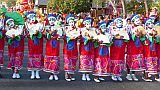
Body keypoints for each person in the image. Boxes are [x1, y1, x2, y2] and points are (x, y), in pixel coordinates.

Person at [126, 14, 146, 81]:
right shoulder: (129, 27)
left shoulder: (142, 27)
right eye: (136, 20)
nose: (138, 21)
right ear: (133, 21)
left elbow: (143, 37)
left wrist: (141, 35)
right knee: (130, 59)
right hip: (131, 45)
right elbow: (127, 36)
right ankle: (128, 74)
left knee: (137, 60)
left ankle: (133, 74)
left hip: (139, 46)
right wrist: (134, 35)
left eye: (139, 20)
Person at [25, 11, 44, 79]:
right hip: (31, 43)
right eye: (30, 17)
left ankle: (37, 72)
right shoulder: (27, 25)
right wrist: (31, 34)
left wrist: (38, 33)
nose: (32, 18)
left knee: (38, 56)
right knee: (32, 56)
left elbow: (42, 34)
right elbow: (26, 34)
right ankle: (32, 72)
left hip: (38, 43)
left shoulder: (40, 25)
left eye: (33, 17)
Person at [110, 17, 128, 81]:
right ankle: (113, 74)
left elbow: (127, 38)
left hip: (122, 47)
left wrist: (125, 38)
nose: (120, 23)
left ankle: (118, 74)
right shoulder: (112, 29)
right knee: (115, 59)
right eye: (118, 22)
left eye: (121, 22)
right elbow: (110, 37)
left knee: (121, 59)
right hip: (115, 47)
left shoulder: (124, 29)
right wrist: (116, 37)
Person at [43, 14, 60, 81]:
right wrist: (49, 33)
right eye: (50, 20)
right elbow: (45, 36)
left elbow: (60, 35)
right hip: (49, 45)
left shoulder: (57, 27)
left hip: (56, 45)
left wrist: (57, 34)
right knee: (50, 59)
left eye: (53, 20)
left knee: (55, 59)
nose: (52, 21)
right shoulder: (46, 27)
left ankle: (55, 73)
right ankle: (51, 73)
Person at [63, 14, 80, 82]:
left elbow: (79, 37)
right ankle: (67, 73)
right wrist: (69, 38)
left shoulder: (77, 29)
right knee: (67, 60)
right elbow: (63, 37)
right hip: (67, 47)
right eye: (70, 22)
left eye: (72, 22)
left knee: (73, 60)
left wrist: (77, 37)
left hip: (74, 47)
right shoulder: (65, 29)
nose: (71, 23)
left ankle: (71, 74)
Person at [79, 17, 95, 81]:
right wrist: (86, 39)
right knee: (84, 60)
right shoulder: (81, 30)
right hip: (83, 48)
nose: (89, 25)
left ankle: (88, 74)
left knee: (90, 60)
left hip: (91, 47)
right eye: (87, 23)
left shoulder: (93, 30)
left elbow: (96, 38)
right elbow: (80, 38)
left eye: (90, 23)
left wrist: (93, 38)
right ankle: (83, 74)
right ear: (85, 24)